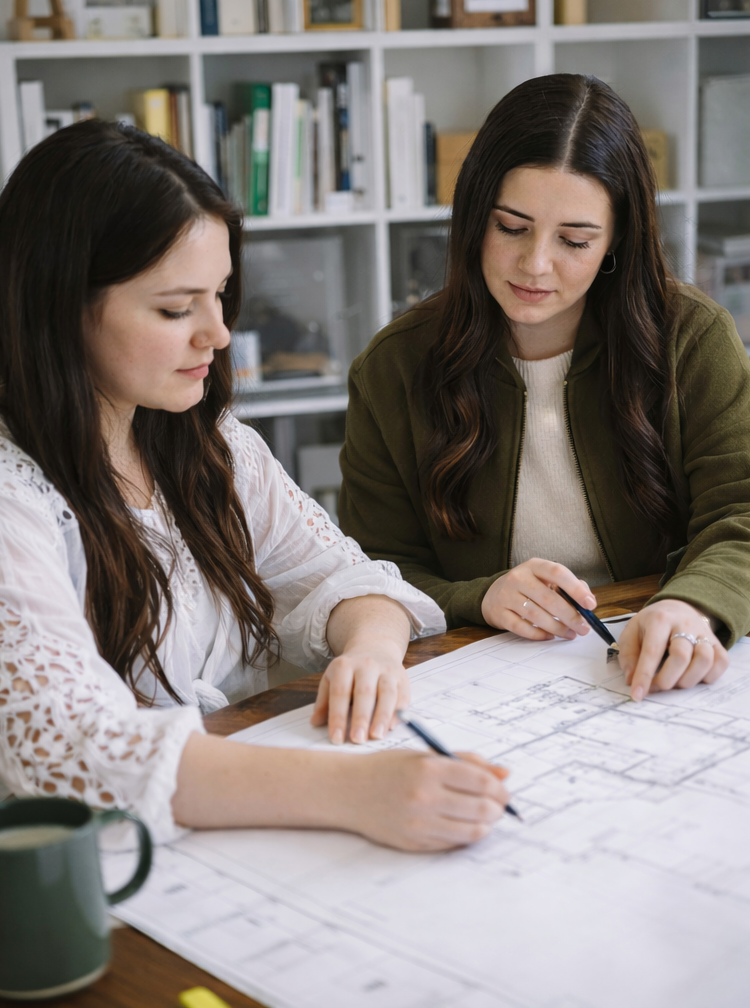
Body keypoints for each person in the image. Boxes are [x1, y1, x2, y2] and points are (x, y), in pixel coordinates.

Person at [0, 119, 511, 850]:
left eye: (221, 295)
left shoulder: (209, 445)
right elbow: (79, 751)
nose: (218, 333)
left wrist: (367, 650)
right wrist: (359, 791)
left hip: (241, 826)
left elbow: (346, 578)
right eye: (176, 308)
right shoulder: (14, 500)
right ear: (60, 308)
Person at [339, 73, 750, 703]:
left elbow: (740, 513)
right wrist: (479, 594)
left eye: (575, 240)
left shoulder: (690, 339)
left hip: (662, 667)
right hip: (489, 679)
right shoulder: (394, 368)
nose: (535, 265)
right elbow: (373, 572)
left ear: (616, 241)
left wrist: (696, 604)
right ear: (475, 218)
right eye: (511, 227)